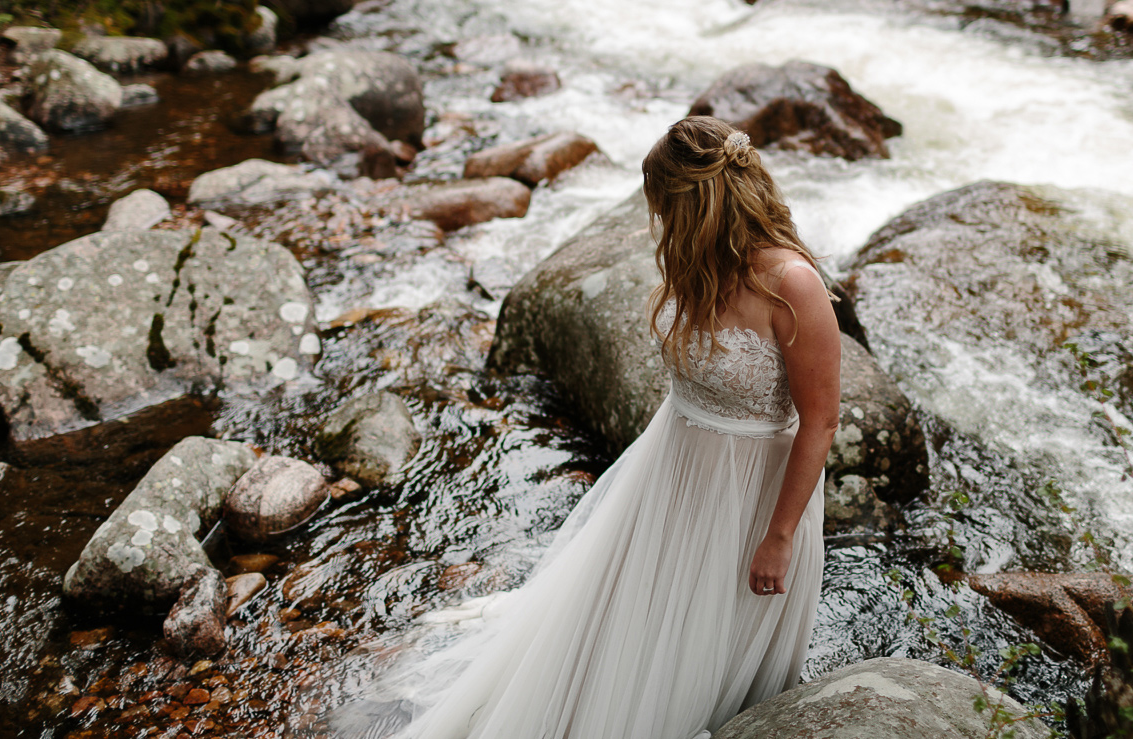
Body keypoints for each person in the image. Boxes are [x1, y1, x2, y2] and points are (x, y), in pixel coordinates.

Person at [343, 115, 841, 739]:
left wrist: (780, 535)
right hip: (673, 468)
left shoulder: (792, 284)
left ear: (695, 203)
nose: (657, 218)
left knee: (716, 634)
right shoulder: (699, 264)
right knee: (639, 620)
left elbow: (821, 421)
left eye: (663, 203)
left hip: (752, 494)